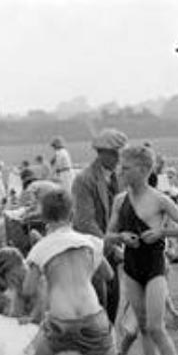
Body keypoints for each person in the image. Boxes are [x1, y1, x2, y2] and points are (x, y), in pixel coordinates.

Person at [22, 188, 147, 355]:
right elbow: (110, 275)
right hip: (92, 317)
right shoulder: (91, 242)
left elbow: (27, 290)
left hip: (60, 322)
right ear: (72, 213)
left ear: (44, 217)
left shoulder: (41, 248)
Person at [106, 146, 178, 355]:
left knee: (156, 326)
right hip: (132, 267)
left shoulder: (160, 199)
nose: (121, 172)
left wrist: (162, 233)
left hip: (155, 266)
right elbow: (106, 236)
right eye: (121, 167)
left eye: (126, 168)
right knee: (143, 327)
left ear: (144, 170)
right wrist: (120, 237)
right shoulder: (120, 200)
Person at [72, 128, 128, 324]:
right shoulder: (84, 180)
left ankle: (108, 350)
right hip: (91, 251)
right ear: (102, 153)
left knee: (113, 302)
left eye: (120, 152)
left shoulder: (120, 176)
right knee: (98, 303)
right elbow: (84, 222)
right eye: (115, 153)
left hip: (111, 249)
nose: (120, 157)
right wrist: (111, 244)